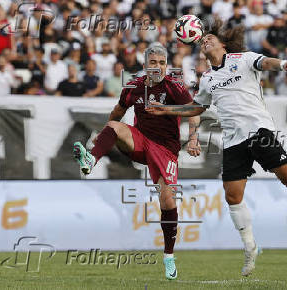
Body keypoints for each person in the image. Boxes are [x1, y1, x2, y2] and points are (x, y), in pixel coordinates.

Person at [146, 18, 287, 277]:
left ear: (223, 44)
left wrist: (281, 64)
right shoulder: (208, 78)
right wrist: (166, 110)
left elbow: (265, 63)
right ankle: (250, 247)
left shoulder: (243, 58)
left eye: (210, 37)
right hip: (233, 140)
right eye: (203, 39)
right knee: (232, 196)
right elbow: (197, 108)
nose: (205, 39)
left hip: (259, 130)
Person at [72, 45, 196, 280]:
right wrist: (102, 137)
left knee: (167, 200)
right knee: (113, 127)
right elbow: (118, 111)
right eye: (154, 62)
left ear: (166, 64)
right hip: (140, 141)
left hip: (165, 149)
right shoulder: (134, 87)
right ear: (145, 64)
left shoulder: (174, 87)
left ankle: (168, 256)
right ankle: (91, 158)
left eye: (162, 62)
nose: (158, 66)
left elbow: (194, 111)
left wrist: (193, 138)